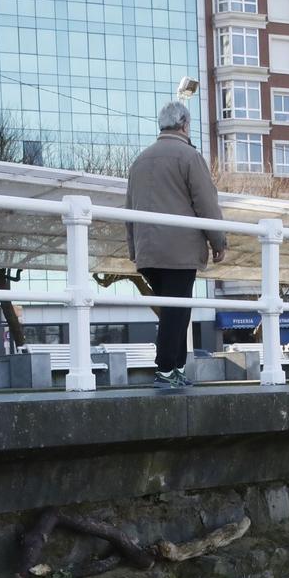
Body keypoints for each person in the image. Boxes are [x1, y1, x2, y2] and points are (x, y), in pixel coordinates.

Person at [126, 101, 226, 389]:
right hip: (179, 249)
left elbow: (129, 207)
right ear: (184, 125)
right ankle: (167, 369)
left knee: (174, 309)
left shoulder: (140, 160)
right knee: (177, 310)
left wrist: (135, 249)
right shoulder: (189, 157)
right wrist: (218, 240)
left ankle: (177, 368)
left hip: (148, 250)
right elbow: (206, 202)